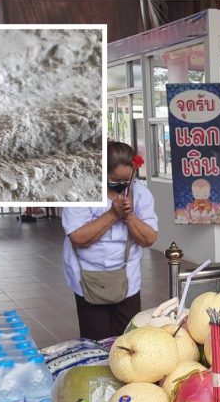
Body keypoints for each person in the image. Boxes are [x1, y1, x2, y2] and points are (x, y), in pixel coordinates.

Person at [62, 142, 158, 340]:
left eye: (127, 180)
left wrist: (129, 217)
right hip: (88, 274)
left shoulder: (140, 194)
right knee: (96, 338)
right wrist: (113, 214)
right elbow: (78, 238)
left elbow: (149, 238)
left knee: (127, 338)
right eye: (115, 180)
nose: (122, 184)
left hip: (126, 276)